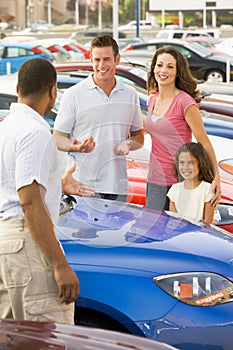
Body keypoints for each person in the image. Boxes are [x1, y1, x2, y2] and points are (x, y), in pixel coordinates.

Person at [0, 58, 94, 323]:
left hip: (6, 242)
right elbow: (29, 202)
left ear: (18, 87)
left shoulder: (5, 128)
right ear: (52, 91)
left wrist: (58, 185)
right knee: (46, 337)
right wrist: (59, 264)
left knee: (14, 338)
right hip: (27, 244)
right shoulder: (34, 132)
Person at [53, 34, 144, 202]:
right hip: (82, 187)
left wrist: (128, 143)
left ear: (117, 59)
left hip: (118, 187)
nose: (101, 65)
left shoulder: (130, 95)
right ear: (90, 60)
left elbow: (139, 137)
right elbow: (58, 138)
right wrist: (76, 147)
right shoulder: (73, 95)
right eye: (97, 60)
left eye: (107, 59)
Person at [145, 46, 221, 211]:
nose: (163, 70)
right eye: (159, 65)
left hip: (181, 181)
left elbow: (204, 142)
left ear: (178, 72)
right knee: (152, 231)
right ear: (153, 68)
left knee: (177, 235)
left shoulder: (185, 102)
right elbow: (153, 129)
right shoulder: (152, 98)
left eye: (170, 66)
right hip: (155, 180)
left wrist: (216, 178)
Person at [167, 142, 215, 224]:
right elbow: (173, 220)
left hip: (199, 234)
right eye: (182, 162)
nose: (185, 167)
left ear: (200, 164)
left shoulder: (207, 189)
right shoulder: (174, 189)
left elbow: (208, 223)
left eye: (191, 163)